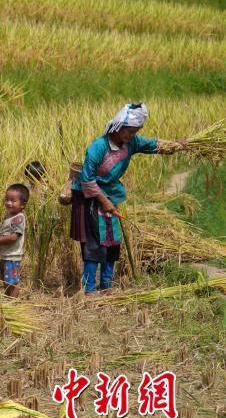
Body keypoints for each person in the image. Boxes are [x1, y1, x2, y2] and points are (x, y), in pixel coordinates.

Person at [70, 103, 185, 294]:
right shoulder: (98, 147)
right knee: (94, 244)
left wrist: (176, 145)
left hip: (110, 196)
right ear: (118, 126)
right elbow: (87, 179)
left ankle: (106, 285)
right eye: (129, 131)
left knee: (112, 242)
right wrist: (104, 201)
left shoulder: (132, 142)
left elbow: (154, 145)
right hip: (90, 198)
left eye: (135, 132)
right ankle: (89, 289)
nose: (131, 135)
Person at [0, 183, 28, 298]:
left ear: (22, 204)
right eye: (7, 199)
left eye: (13, 200)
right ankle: (8, 299)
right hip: (6, 256)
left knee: (12, 282)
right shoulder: (10, 216)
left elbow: (13, 237)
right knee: (6, 280)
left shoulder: (19, 218)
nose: (9, 203)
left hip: (12, 257)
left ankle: (13, 302)